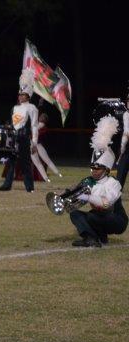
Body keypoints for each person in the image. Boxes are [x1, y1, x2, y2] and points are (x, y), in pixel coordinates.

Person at [68, 116, 127, 247]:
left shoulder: (114, 183)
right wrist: (70, 195)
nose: (94, 171)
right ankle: (91, 238)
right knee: (75, 214)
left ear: (106, 169)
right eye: (92, 168)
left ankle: (100, 235)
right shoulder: (88, 181)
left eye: (98, 168)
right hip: (99, 217)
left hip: (117, 220)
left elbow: (106, 204)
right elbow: (75, 202)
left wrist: (85, 196)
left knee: (93, 216)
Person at [0, 69, 39, 192]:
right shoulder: (15, 108)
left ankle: (29, 187)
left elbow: (34, 126)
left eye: (23, 94)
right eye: (20, 94)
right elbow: (13, 124)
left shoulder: (32, 108)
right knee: (11, 162)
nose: (20, 96)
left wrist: (34, 143)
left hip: (24, 137)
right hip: (13, 137)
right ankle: (7, 185)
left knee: (25, 163)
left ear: (28, 96)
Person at [32, 113, 62, 182]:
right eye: (41, 116)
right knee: (40, 162)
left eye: (42, 117)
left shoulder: (42, 126)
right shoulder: (38, 124)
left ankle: (56, 174)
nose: (41, 117)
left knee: (44, 161)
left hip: (36, 145)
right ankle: (48, 177)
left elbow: (36, 131)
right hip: (34, 144)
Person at [116, 90, 129, 188]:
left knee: (118, 183)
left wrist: (122, 149)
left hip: (127, 151)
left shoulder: (127, 114)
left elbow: (127, 134)